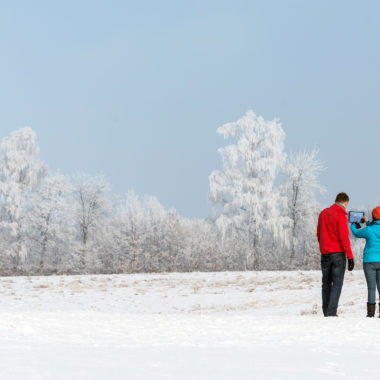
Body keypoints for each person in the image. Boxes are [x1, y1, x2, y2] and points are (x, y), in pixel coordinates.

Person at [317, 192, 354, 317]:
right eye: (346, 205)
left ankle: (326, 311)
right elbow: (344, 238)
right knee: (337, 284)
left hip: (325, 254)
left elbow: (319, 234)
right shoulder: (341, 215)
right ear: (345, 202)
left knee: (326, 283)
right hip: (338, 254)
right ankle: (331, 312)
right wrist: (350, 257)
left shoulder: (323, 213)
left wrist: (323, 246)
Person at [351, 207, 380, 317]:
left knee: (371, 288)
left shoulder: (369, 230)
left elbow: (355, 233)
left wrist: (354, 223)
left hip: (369, 262)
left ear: (373, 217)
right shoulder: (370, 228)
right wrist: (368, 222)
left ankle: (370, 314)